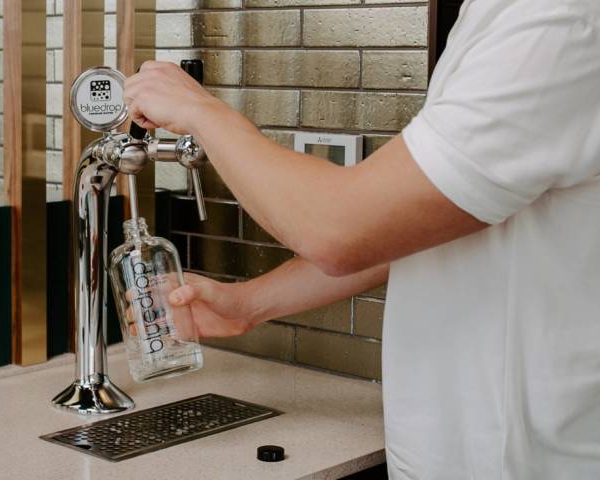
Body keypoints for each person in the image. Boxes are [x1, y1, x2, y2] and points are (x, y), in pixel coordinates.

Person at [123, 0, 600, 478]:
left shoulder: (556, 22)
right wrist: (247, 304)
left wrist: (199, 110)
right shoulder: (498, 17)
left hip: (524, 459)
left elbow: (338, 228)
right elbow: (415, 224)